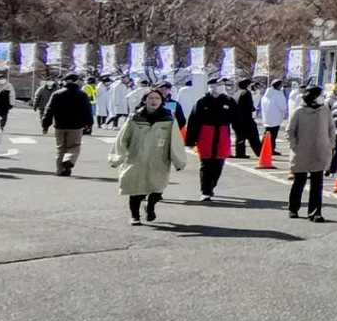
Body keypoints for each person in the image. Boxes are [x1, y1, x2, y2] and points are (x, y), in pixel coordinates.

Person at [112, 88, 186, 225]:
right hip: (136, 158)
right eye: (151, 98)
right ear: (145, 100)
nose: (154, 101)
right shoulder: (135, 117)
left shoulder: (169, 118)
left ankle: (150, 206)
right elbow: (122, 138)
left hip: (159, 159)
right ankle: (135, 216)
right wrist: (117, 157)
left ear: (162, 101)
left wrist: (179, 161)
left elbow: (175, 141)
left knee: (157, 189)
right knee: (135, 189)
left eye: (157, 98)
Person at [286, 84, 334, 221]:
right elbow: (290, 131)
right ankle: (293, 208)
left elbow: (331, 128)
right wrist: (294, 146)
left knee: (317, 184)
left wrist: (330, 144)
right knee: (299, 182)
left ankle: (315, 213)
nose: (322, 97)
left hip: (320, 151)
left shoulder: (324, 110)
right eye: (320, 95)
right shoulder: (299, 111)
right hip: (301, 152)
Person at [187, 77, 239, 201]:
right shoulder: (202, 102)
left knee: (218, 163)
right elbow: (193, 121)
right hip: (206, 134)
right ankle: (205, 190)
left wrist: (241, 135)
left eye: (219, 85)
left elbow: (237, 119)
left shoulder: (229, 101)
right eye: (214, 85)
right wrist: (191, 140)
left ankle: (211, 185)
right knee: (206, 163)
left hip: (222, 134)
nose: (216, 88)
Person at [40, 72, 95, 176]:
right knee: (74, 146)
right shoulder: (82, 95)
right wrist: (89, 123)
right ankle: (69, 160)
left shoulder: (57, 94)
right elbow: (87, 111)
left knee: (60, 148)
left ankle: (60, 170)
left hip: (60, 125)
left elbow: (49, 110)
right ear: (76, 81)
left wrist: (45, 124)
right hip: (76, 126)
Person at [259, 78, 289, 154]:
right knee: (273, 135)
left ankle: (263, 148)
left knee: (267, 133)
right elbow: (283, 106)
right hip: (275, 118)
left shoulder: (266, 94)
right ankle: (270, 149)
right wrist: (285, 112)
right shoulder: (278, 94)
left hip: (267, 118)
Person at [233, 79, 259, 158]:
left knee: (240, 137)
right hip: (246, 119)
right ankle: (260, 152)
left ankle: (240, 153)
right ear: (247, 85)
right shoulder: (246, 93)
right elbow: (249, 106)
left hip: (237, 119)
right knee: (254, 137)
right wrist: (253, 109)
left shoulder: (236, 93)